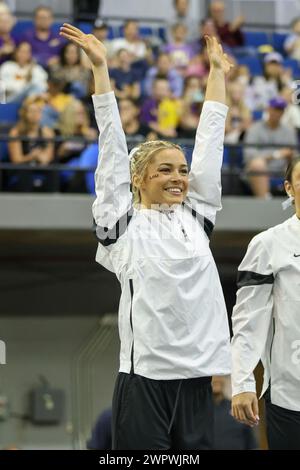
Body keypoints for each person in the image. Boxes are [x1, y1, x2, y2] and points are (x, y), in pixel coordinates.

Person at [60, 23, 232, 450]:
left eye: (181, 170)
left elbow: (211, 143)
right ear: (139, 179)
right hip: (144, 380)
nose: (178, 178)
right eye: (165, 170)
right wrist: (101, 72)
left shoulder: (197, 217)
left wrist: (217, 74)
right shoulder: (120, 226)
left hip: (197, 382)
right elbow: (112, 152)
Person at [231, 157, 300, 450]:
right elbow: (248, 320)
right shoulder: (268, 244)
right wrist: (243, 383)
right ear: (289, 188)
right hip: (291, 397)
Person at [212, 376, 258, 450]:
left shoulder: (237, 407)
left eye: (219, 375)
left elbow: (251, 442)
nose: (216, 379)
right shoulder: (199, 411)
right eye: (212, 376)